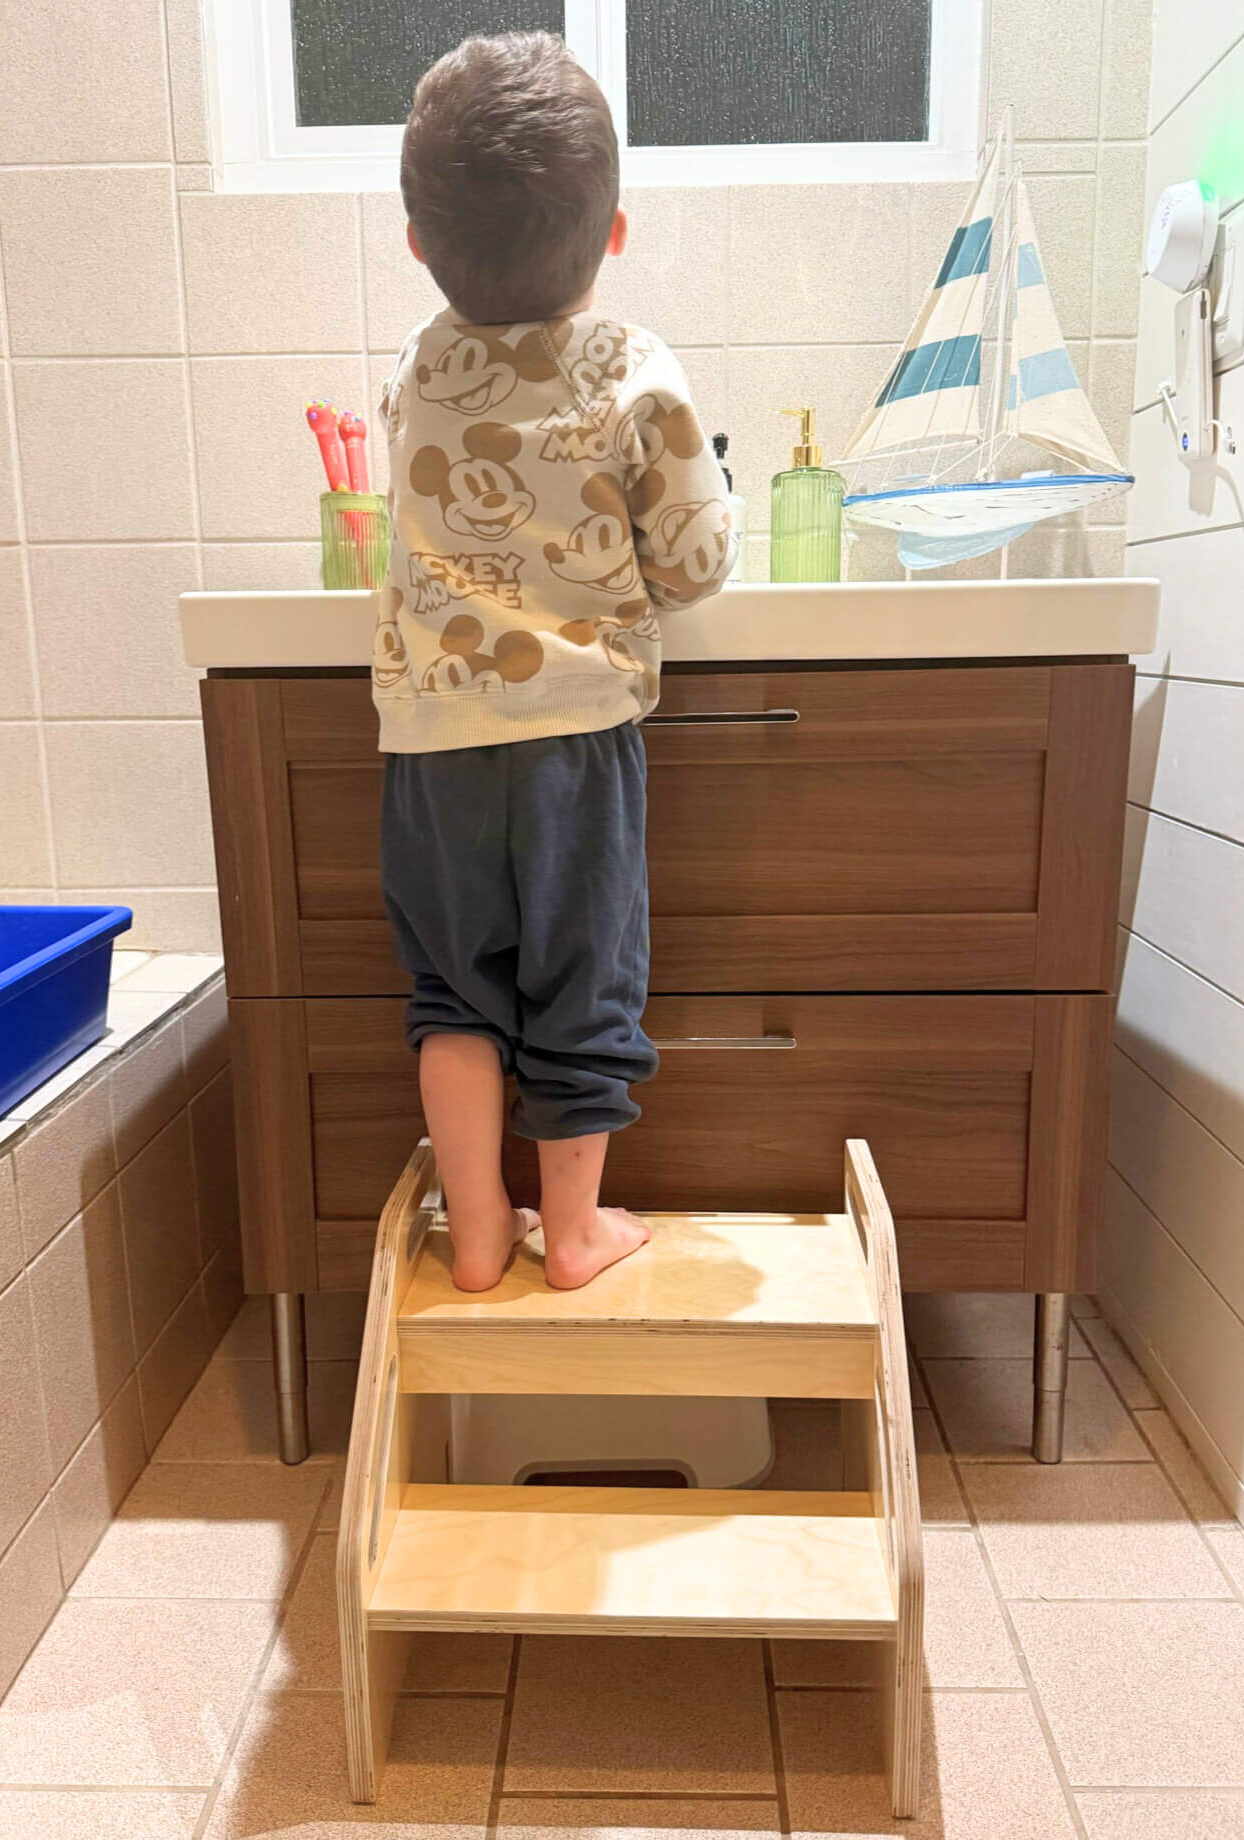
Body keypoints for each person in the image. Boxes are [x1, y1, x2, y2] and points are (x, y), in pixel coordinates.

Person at [376, 31, 737, 1292]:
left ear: (419, 242)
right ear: (614, 233)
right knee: (580, 982)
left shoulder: (415, 372)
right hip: (574, 739)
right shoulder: (630, 368)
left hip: (431, 743)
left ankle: (478, 1236)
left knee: (456, 994)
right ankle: (571, 1234)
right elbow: (693, 564)